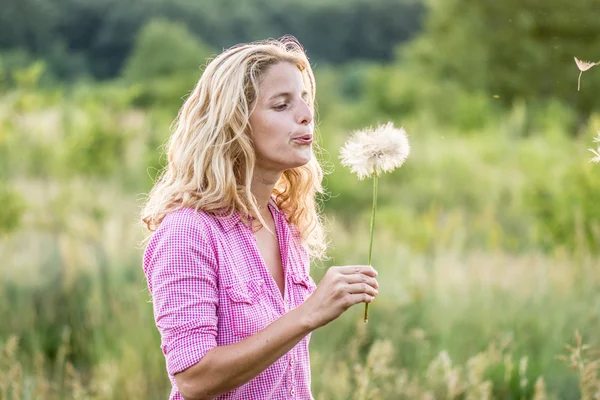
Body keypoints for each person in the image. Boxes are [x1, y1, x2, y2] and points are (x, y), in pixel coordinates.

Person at [140, 36, 379, 400]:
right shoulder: (189, 232)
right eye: (282, 105)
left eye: (304, 100)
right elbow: (192, 378)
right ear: (233, 123)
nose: (305, 114)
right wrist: (308, 314)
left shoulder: (286, 225)